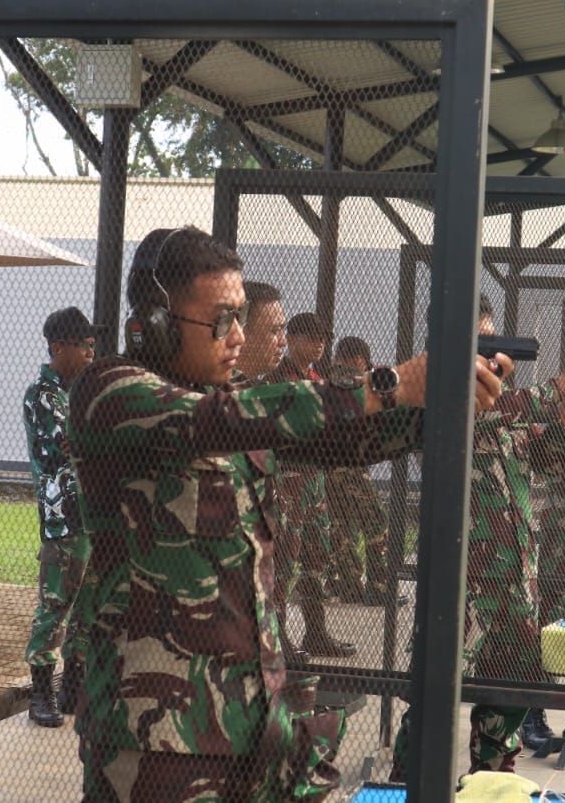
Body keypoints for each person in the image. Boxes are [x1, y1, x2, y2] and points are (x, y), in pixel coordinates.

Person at [66, 225, 507, 801]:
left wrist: (445, 402)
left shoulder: (234, 400)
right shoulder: (110, 391)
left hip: (249, 725)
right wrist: (390, 383)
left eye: (241, 317)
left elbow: (345, 439)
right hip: (153, 738)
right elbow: (221, 420)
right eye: (221, 320)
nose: (237, 336)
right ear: (156, 323)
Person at [391, 294, 565, 778]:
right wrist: (555, 390)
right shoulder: (439, 394)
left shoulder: (503, 405)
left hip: (514, 578)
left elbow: (549, 460)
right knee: (432, 694)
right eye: (481, 345)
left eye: (492, 344)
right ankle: (406, 784)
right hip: (462, 580)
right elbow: (494, 412)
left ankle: (490, 783)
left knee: (510, 694)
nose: (490, 357)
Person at [22, 306, 100, 727]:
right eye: (81, 345)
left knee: (88, 604)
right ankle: (41, 692)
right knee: (55, 603)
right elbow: (67, 446)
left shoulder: (80, 393)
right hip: (64, 517)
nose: (90, 353)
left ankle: (73, 686)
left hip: (94, 515)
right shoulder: (43, 396)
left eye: (92, 345)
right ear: (56, 348)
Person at [266, 313, 353, 656]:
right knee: (284, 561)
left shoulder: (319, 379)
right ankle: (278, 638)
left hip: (314, 482)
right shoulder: (276, 378)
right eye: (311, 337)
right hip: (288, 482)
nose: (319, 344)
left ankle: (316, 633)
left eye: (323, 338)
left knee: (317, 558)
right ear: (291, 338)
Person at [322, 336, 396, 606]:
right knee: (376, 522)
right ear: (358, 360)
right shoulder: (354, 381)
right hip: (350, 465)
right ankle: (379, 586)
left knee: (342, 527)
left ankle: (349, 585)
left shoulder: (324, 381)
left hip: (328, 465)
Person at [233, 280, 286, 379]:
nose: (283, 342)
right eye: (274, 331)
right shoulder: (212, 387)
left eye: (282, 329)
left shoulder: (257, 386)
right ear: (241, 333)